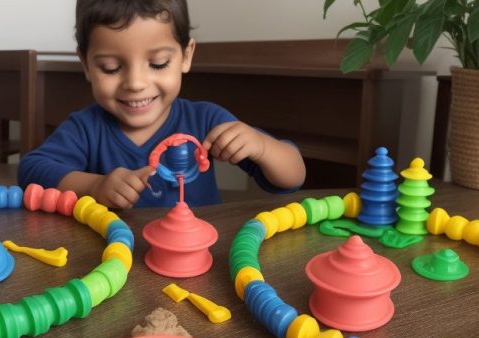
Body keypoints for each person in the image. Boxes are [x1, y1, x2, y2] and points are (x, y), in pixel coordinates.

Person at [17, 0, 306, 208]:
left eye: (158, 64)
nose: (135, 83)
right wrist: (93, 186)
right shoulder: (86, 128)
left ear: (186, 56)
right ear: (86, 65)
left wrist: (262, 147)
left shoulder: (205, 120)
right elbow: (31, 170)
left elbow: (292, 177)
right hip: (113, 264)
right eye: (110, 67)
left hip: (198, 264)